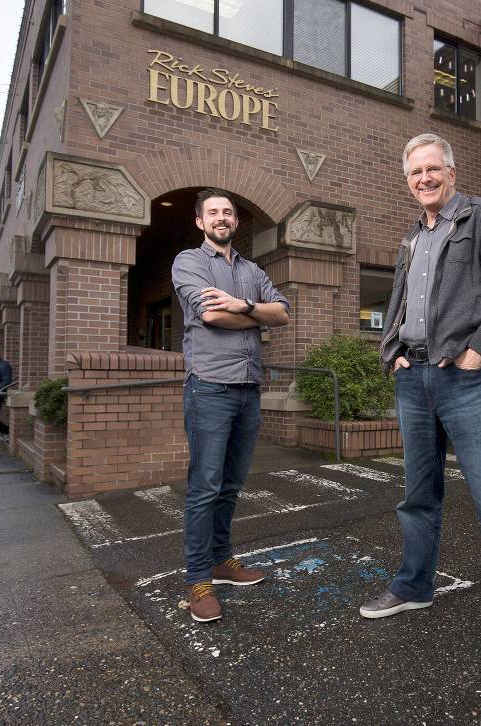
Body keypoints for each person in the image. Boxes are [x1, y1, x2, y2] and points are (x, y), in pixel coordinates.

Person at [360, 134, 481, 684]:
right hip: (413, 380)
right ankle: (413, 586)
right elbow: (400, 305)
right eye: (414, 172)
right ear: (407, 181)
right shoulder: (410, 237)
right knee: (417, 497)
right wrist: (391, 352)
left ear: (451, 170)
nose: (423, 179)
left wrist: (478, 351)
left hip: (466, 380)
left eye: (432, 169)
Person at [171, 188, 291, 623]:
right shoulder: (189, 262)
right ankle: (199, 578)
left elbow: (283, 313)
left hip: (247, 388)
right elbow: (210, 316)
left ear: (235, 222)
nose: (221, 218)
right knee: (205, 485)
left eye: (228, 212)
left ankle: (221, 560)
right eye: (213, 212)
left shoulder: (252, 270)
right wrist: (257, 313)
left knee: (231, 482)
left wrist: (243, 305)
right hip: (210, 387)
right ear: (200, 222)